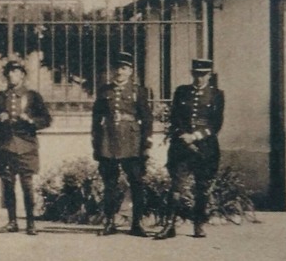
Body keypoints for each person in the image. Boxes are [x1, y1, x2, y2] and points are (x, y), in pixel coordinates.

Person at [0, 59, 53, 235]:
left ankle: (30, 223)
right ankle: (12, 221)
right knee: (8, 185)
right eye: (9, 72)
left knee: (27, 184)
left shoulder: (33, 96)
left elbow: (46, 120)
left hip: (26, 147)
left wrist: (30, 121)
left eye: (16, 72)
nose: (12, 75)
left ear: (22, 75)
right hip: (5, 147)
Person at [158, 57, 225, 239]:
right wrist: (183, 136)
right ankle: (169, 226)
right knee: (176, 187)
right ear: (191, 74)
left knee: (202, 187)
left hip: (206, 149)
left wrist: (195, 137)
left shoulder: (217, 94)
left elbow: (216, 124)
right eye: (196, 74)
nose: (199, 78)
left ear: (209, 75)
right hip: (181, 148)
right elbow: (175, 118)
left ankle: (199, 224)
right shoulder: (181, 92)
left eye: (203, 75)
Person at [91, 50, 154, 237]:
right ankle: (109, 222)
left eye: (124, 68)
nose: (120, 71)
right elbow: (96, 119)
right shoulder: (105, 91)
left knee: (136, 182)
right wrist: (96, 143)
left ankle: (136, 224)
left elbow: (147, 120)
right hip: (108, 141)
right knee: (109, 183)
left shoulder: (139, 92)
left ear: (131, 71)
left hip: (132, 142)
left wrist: (146, 144)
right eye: (117, 68)